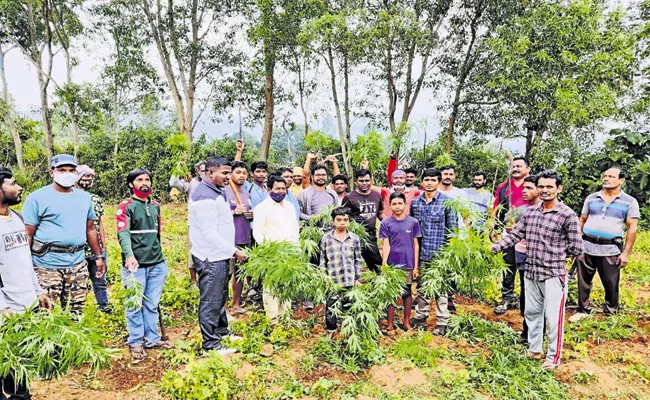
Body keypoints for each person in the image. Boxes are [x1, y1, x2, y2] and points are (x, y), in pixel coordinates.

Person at [491, 170, 582, 370]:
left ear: (559, 189)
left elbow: (576, 247)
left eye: (549, 186)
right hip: (531, 271)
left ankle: (553, 357)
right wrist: (494, 248)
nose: (544, 190)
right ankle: (534, 349)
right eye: (541, 186)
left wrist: (554, 253)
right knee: (532, 312)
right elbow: (514, 235)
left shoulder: (567, 215)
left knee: (553, 316)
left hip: (553, 273)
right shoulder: (530, 213)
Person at [22, 154, 104, 313]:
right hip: (47, 266)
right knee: (47, 315)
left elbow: (90, 229)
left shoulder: (84, 198)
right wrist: (26, 266)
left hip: (77, 264)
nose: (67, 173)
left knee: (76, 312)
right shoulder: (36, 198)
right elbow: (28, 234)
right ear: (51, 172)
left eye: (71, 170)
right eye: (62, 170)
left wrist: (98, 256)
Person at [0, 167, 52, 400]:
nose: (18, 187)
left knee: (19, 372)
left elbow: (25, 260)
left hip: (24, 307)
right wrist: (2, 307)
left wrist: (38, 291)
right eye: (12, 183)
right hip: (5, 310)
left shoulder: (18, 217)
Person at [190, 157, 247, 355]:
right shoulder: (205, 197)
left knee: (221, 295)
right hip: (210, 257)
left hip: (219, 254)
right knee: (211, 301)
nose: (228, 177)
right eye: (224, 173)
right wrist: (235, 251)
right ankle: (210, 345)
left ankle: (221, 332)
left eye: (228, 173)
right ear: (209, 172)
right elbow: (209, 233)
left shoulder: (217, 191)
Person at [117, 169, 173, 360]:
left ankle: (152, 338)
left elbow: (157, 235)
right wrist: (129, 255)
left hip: (157, 263)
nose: (144, 183)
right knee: (134, 304)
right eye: (139, 179)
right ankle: (135, 342)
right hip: (135, 265)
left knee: (152, 303)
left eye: (147, 179)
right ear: (132, 184)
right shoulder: (126, 206)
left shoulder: (156, 206)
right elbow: (123, 233)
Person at [571, 168, 639, 321]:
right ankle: (583, 310)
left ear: (621, 180)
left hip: (610, 248)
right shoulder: (591, 198)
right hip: (586, 245)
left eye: (611, 176)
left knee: (611, 282)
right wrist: (576, 244)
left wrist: (626, 253)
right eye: (605, 176)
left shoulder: (629, 201)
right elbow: (581, 220)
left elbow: (632, 228)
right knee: (583, 280)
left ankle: (611, 312)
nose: (606, 179)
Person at [409, 169, 458, 336]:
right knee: (422, 288)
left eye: (433, 180)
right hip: (422, 254)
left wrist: (449, 255)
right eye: (426, 180)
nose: (429, 183)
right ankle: (420, 318)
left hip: (440, 255)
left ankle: (442, 322)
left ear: (438, 181)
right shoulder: (415, 203)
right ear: (422, 182)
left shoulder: (447, 203)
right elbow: (412, 230)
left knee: (441, 291)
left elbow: (453, 231)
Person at [252, 175, 300, 324]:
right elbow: (258, 232)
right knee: (271, 287)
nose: (281, 191)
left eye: (283, 189)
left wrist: (296, 249)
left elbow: (294, 229)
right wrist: (269, 249)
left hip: (290, 252)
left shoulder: (290, 207)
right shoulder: (262, 208)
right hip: (272, 253)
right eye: (277, 188)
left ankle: (285, 315)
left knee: (286, 285)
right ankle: (273, 319)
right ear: (269, 189)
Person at [492, 156, 531, 315]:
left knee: (526, 268)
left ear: (527, 170)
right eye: (513, 166)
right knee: (508, 266)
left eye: (519, 166)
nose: (515, 169)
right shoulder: (503, 186)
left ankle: (527, 299)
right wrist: (494, 227)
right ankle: (506, 298)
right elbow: (496, 207)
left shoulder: (532, 185)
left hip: (528, 236)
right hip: (507, 233)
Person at [379, 192, 421, 331]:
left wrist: (415, 266)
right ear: (390, 205)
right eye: (394, 204)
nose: (397, 207)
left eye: (400, 203)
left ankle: (406, 321)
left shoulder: (413, 222)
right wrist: (384, 263)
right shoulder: (386, 223)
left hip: (408, 262)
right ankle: (390, 323)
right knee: (391, 294)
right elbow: (386, 244)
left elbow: (416, 244)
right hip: (392, 264)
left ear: (405, 204)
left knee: (407, 292)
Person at [319, 207, 362, 333]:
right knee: (332, 307)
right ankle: (331, 330)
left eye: (345, 220)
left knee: (349, 305)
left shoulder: (354, 238)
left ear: (349, 221)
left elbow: (358, 259)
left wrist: (358, 278)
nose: (342, 223)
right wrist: (325, 278)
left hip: (350, 280)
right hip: (333, 281)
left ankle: (348, 330)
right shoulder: (326, 239)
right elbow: (323, 261)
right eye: (339, 220)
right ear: (333, 221)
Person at [75, 165, 111, 313]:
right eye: (85, 176)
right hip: (79, 248)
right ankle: (78, 312)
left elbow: (99, 223)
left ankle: (104, 307)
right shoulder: (70, 197)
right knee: (79, 284)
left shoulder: (95, 199)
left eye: (91, 177)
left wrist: (103, 244)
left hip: (96, 249)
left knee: (100, 281)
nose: (88, 180)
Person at [512, 176, 541, 342]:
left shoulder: (543, 210)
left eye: (529, 188)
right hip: (522, 255)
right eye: (524, 188)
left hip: (537, 260)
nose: (524, 191)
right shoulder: (526, 210)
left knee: (534, 296)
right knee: (525, 293)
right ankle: (527, 331)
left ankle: (534, 333)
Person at [169, 160, 206, 287]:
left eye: (207, 170)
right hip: (195, 224)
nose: (205, 173)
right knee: (193, 251)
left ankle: (205, 278)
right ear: (197, 172)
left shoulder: (213, 184)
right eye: (202, 171)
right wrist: (178, 167)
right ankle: (193, 281)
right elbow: (173, 183)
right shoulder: (190, 183)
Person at [224, 161, 254, 316]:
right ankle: (224, 309)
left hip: (245, 238)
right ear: (230, 175)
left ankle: (236, 304)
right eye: (238, 173)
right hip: (230, 240)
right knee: (226, 275)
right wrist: (234, 211)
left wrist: (251, 214)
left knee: (240, 274)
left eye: (244, 173)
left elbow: (249, 214)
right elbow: (217, 216)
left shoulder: (246, 194)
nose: (241, 176)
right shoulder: (224, 192)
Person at [342, 169, 383, 273]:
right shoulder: (349, 197)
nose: (364, 183)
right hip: (354, 236)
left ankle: (377, 286)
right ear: (356, 182)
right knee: (352, 264)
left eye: (367, 180)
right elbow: (343, 216)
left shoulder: (376, 195)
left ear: (371, 181)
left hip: (371, 236)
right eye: (361, 181)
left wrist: (390, 223)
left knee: (377, 264)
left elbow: (380, 213)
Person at [370, 154, 421, 220]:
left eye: (401, 178)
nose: (398, 180)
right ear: (391, 180)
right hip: (388, 226)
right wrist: (365, 169)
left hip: (407, 226)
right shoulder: (385, 191)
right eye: (396, 178)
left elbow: (431, 193)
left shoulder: (414, 192)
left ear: (405, 179)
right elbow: (368, 186)